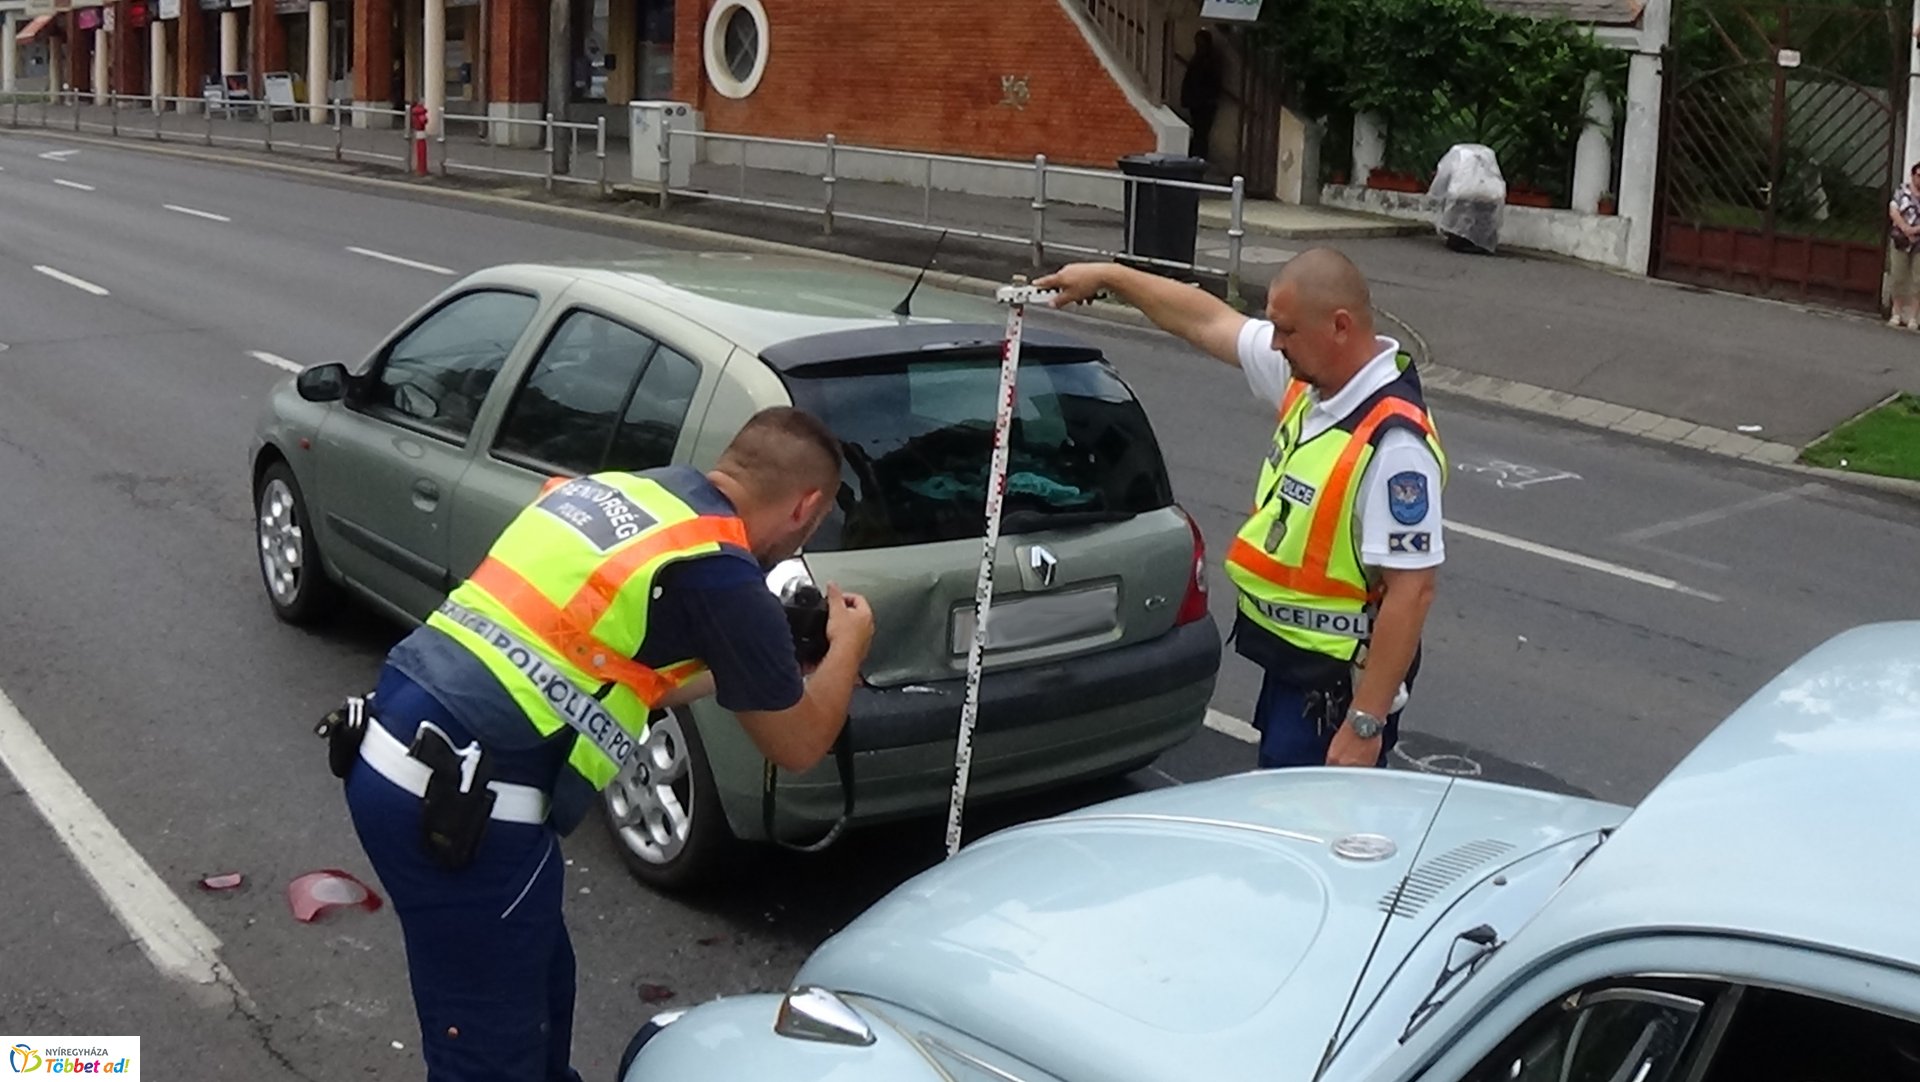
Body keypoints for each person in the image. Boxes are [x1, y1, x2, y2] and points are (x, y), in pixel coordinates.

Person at [333, 406, 875, 1082]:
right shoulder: (722, 575)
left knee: (543, 996)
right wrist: (848, 646)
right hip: (463, 811)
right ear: (809, 508)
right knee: (491, 1058)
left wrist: (753, 666)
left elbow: (603, 667)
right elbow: (797, 746)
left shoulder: (629, 495)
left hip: (403, 752)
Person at [1035, 250, 1445, 770]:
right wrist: (1110, 277)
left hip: (1335, 698)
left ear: (1339, 327)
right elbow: (1206, 320)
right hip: (1293, 677)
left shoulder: (1394, 444)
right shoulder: (1313, 382)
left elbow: (1413, 591)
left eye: (1286, 331)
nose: (1275, 344)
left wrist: (1366, 724)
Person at [1887, 161, 1920, 328]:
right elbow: (1893, 211)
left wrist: (1915, 230)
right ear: (1913, 175)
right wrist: (1906, 229)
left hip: (1919, 244)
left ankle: (1914, 317)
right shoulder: (1901, 192)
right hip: (1900, 241)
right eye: (1919, 176)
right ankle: (1896, 313)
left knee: (1918, 280)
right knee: (1898, 277)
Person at [1180, 29, 1221, 161]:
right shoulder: (1202, 59)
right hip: (1199, 101)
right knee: (1199, 132)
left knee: (1201, 133)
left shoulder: (1208, 60)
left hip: (1204, 102)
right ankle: (1198, 156)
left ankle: (1199, 157)